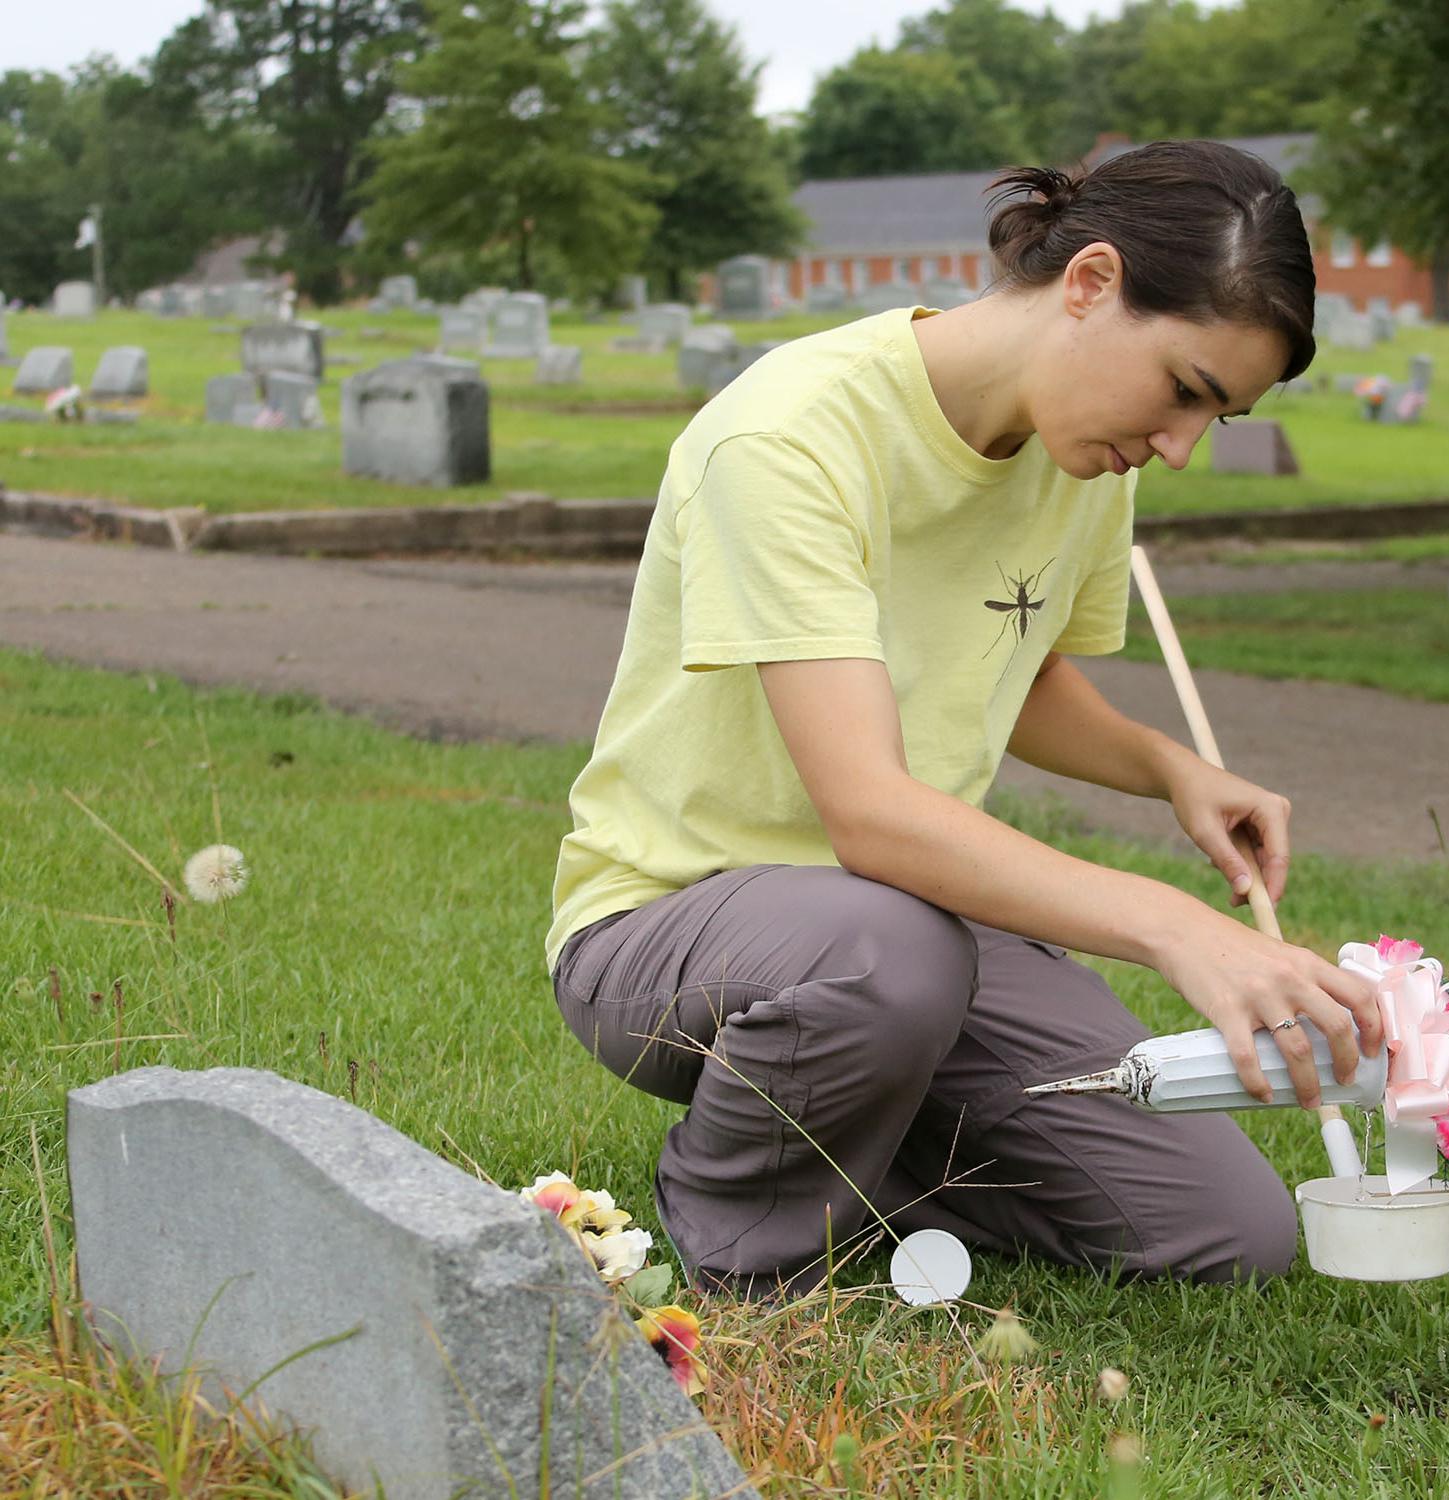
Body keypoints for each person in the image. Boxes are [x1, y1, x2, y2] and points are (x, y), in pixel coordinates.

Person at [547, 139, 1382, 1296]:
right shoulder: (790, 434)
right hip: (679, 928)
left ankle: (864, 1147)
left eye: (1218, 419)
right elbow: (873, 820)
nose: (1179, 447)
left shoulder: (1082, 455)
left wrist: (1167, 769)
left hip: (912, 930)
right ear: (1087, 283)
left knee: (1224, 1236)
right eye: (1185, 391)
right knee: (890, 957)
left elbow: (1013, 670)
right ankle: (744, 1231)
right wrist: (1175, 926)